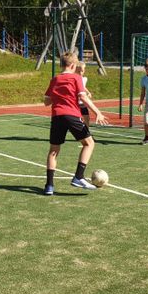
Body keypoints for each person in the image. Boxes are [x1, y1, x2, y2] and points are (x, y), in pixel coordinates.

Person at [43, 51, 107, 196]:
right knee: (89, 143)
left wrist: (58, 96)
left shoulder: (55, 79)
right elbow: (83, 97)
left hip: (57, 116)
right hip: (71, 115)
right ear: (72, 65)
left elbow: (46, 101)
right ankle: (78, 176)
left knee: (53, 151)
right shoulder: (76, 78)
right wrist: (97, 112)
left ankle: (49, 186)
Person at [75, 62, 93, 127]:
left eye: (82, 71)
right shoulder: (74, 79)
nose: (80, 73)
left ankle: (87, 132)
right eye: (78, 71)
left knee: (87, 118)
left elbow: (83, 87)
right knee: (75, 119)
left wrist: (88, 92)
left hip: (82, 102)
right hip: (75, 103)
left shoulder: (84, 79)